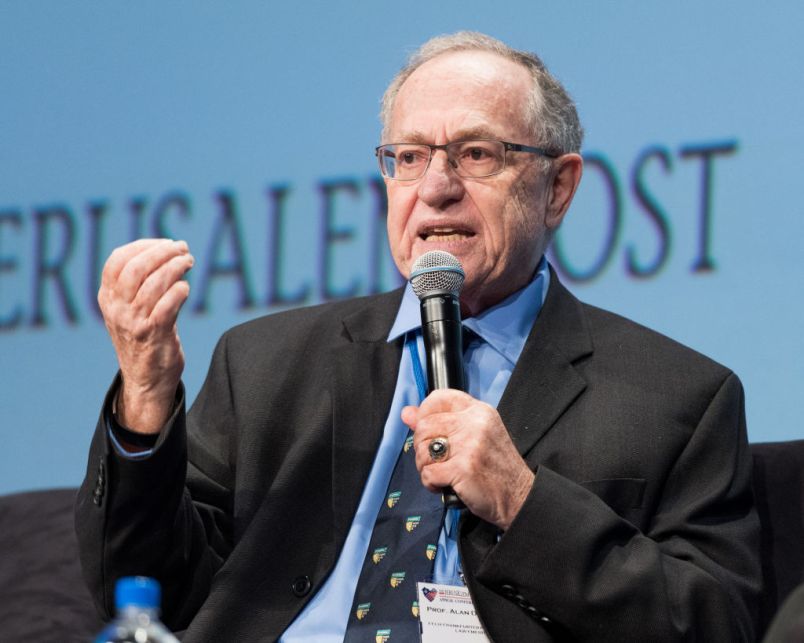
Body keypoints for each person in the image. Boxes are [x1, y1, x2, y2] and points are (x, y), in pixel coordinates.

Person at [76, 32, 761, 641]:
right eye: (408, 156)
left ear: (558, 187)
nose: (435, 187)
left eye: (476, 153)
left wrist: (524, 501)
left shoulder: (679, 398)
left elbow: (714, 621)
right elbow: (143, 592)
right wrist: (145, 396)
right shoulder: (264, 364)